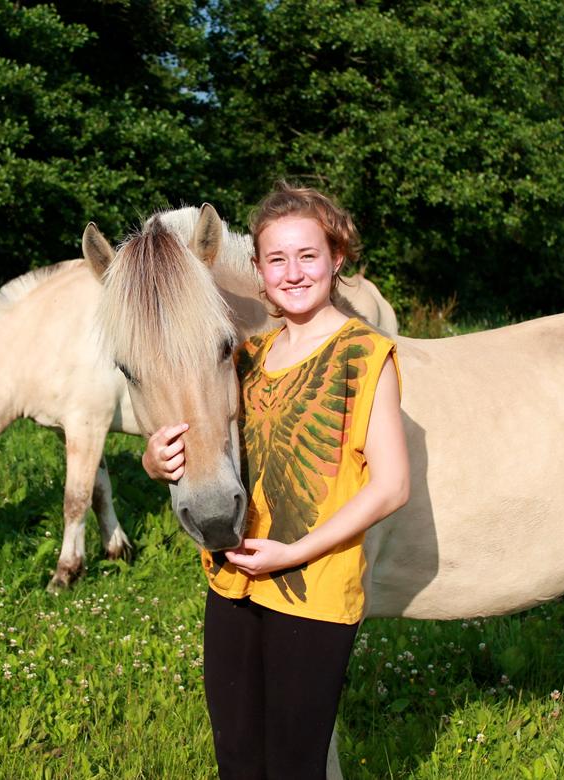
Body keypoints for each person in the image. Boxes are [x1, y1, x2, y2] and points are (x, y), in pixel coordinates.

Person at [143, 183, 410, 779]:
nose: (292, 273)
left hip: (310, 589)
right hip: (231, 583)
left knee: (294, 763)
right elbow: (196, 433)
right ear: (258, 271)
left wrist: (292, 553)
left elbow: (392, 486)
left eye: (307, 255)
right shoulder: (247, 356)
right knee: (236, 757)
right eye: (276, 259)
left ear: (336, 258)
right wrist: (152, 459)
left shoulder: (365, 355)